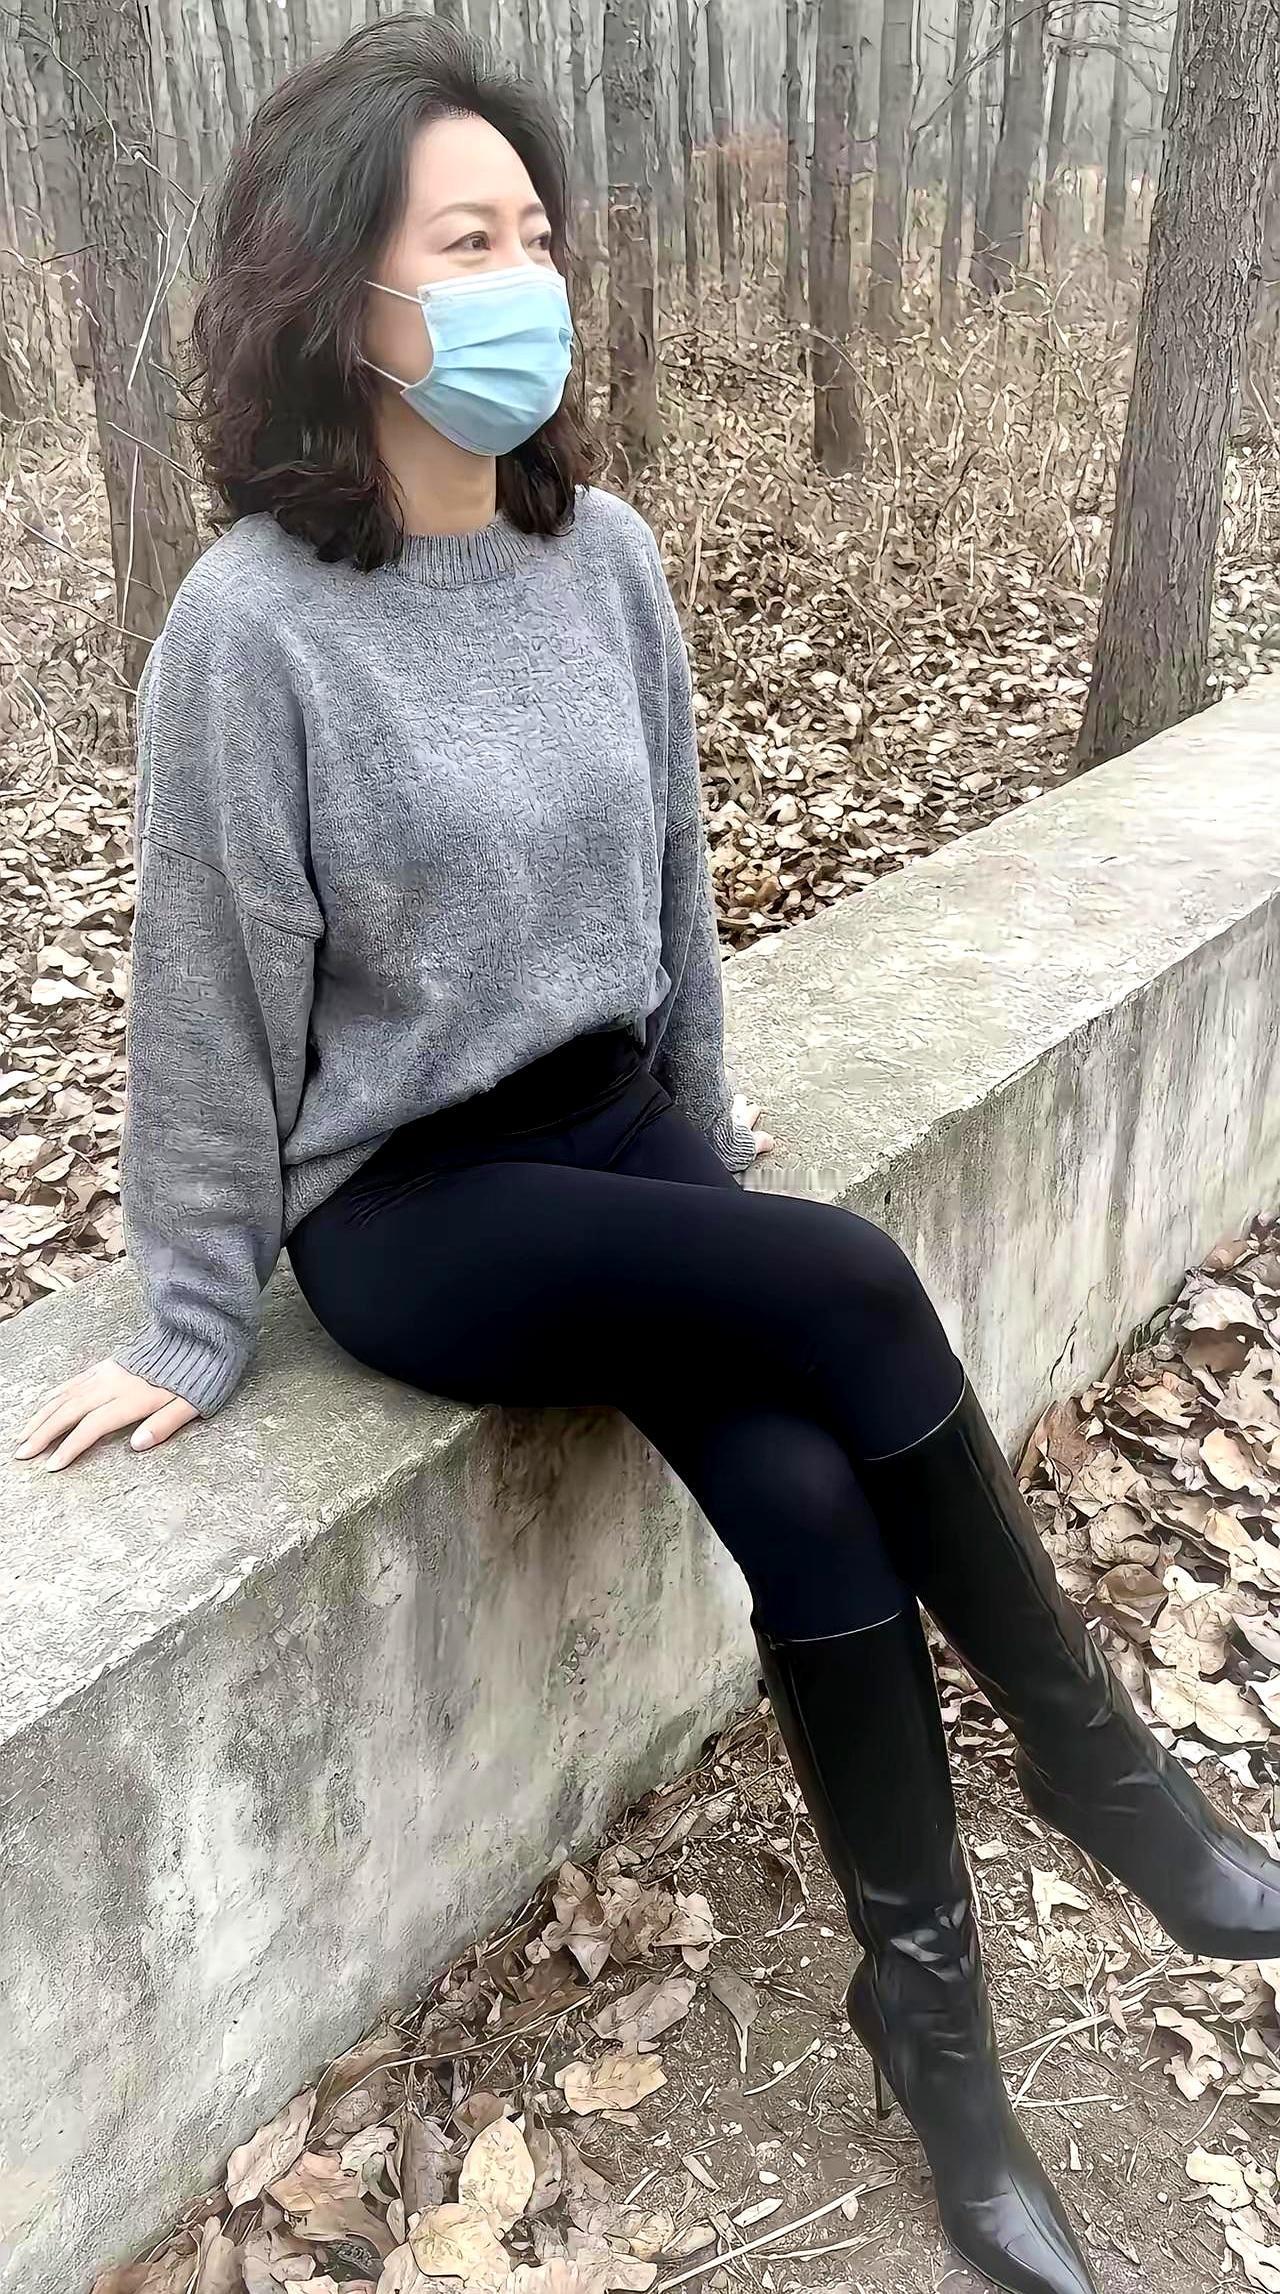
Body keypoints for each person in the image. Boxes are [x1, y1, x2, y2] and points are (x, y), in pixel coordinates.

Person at [14, 22, 1280, 2293]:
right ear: (336, 293)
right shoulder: (250, 628)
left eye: (537, 235)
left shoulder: (596, 553)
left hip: (610, 1130)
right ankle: (1115, 1791)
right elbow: (204, 987)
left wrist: (698, 1119)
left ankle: (936, 2039)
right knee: (849, 1279)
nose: (525, 278)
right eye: (465, 242)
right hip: (410, 1203)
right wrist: (194, 1314)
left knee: (805, 1488)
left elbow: (677, 881)